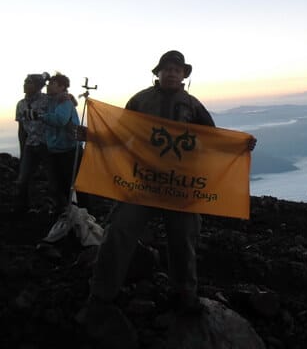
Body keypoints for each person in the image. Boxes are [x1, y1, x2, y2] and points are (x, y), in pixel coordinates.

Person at [84, 50, 257, 345]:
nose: (172, 73)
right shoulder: (139, 100)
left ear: (184, 75)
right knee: (120, 232)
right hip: (142, 182)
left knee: (184, 238)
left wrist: (239, 146)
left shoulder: (193, 105)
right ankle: (102, 294)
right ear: (158, 73)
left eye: (177, 69)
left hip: (181, 187)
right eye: (167, 69)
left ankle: (185, 295)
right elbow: (119, 133)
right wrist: (92, 136)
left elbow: (212, 138)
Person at [39, 72, 83, 216]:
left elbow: (60, 120)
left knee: (74, 184)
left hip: (68, 149)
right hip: (56, 149)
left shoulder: (64, 101)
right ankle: (68, 213)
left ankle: (83, 215)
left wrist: (39, 116)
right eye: (49, 84)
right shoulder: (50, 100)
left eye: (53, 84)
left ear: (62, 87)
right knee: (60, 184)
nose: (48, 86)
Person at [14, 73, 49, 212]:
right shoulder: (20, 104)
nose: (25, 84)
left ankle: (61, 208)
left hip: (46, 145)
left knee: (54, 180)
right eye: (25, 81)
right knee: (23, 179)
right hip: (30, 145)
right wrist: (23, 148)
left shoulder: (48, 100)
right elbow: (21, 128)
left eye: (28, 82)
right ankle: (23, 208)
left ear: (38, 86)